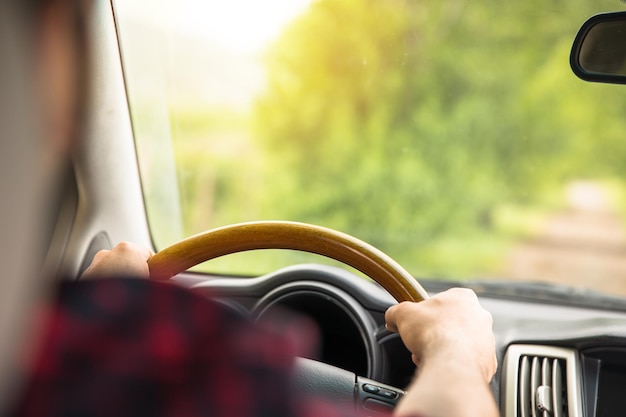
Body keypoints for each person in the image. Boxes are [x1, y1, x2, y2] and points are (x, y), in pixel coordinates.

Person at [0, 0, 500, 416]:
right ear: (55, 59)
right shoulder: (210, 377)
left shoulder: (58, 365)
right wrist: (459, 351)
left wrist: (89, 323)